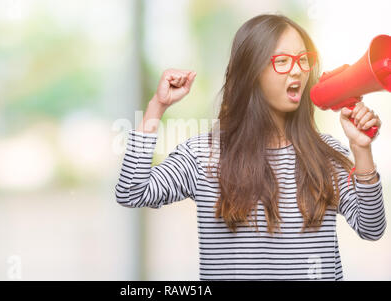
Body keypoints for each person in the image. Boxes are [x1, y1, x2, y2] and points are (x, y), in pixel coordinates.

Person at [114, 14, 386, 280]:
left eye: (303, 60)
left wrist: (362, 149)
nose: (297, 70)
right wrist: (156, 107)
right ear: (252, 72)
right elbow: (131, 192)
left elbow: (371, 228)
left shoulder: (324, 153)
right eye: (282, 61)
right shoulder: (203, 155)